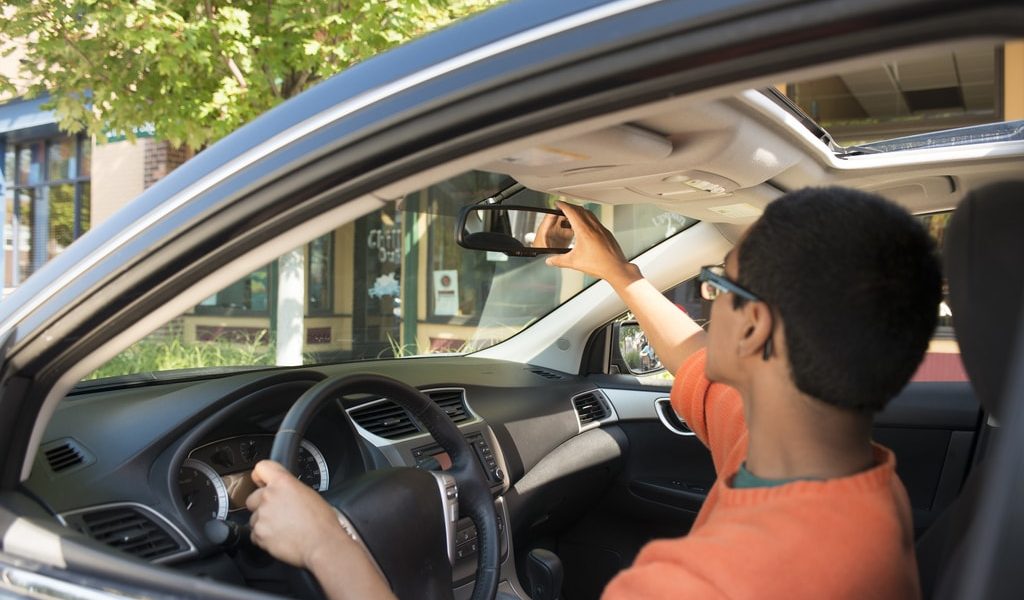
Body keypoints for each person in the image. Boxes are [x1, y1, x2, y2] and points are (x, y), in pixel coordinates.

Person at [246, 186, 940, 599]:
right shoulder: (851, 476)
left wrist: (326, 546)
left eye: (718, 287)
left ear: (754, 327)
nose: (706, 304)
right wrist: (620, 274)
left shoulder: (701, 583)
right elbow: (694, 356)